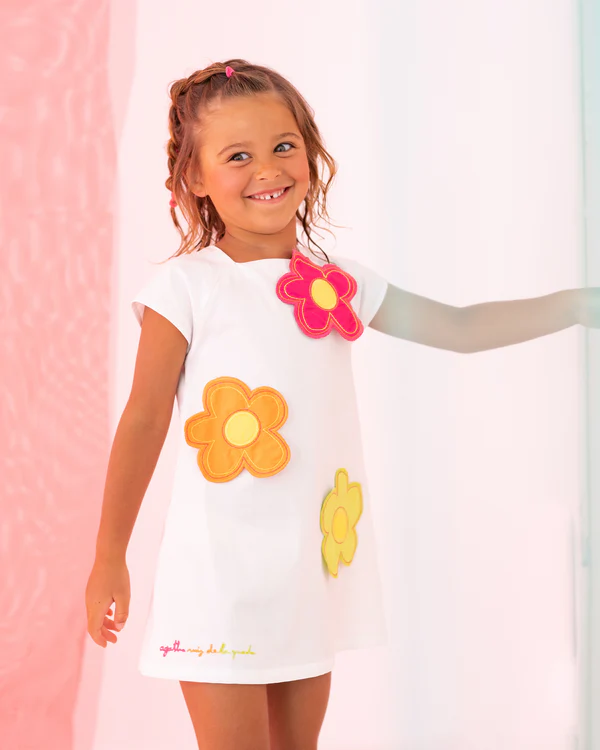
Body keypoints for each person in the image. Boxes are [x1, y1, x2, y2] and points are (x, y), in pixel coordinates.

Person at [85, 58, 600, 750]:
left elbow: (459, 328)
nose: (268, 170)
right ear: (194, 179)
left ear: (310, 151)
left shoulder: (335, 286)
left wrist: (576, 305)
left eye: (283, 146)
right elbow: (144, 419)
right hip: (217, 583)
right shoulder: (186, 288)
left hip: (307, 577)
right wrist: (109, 555)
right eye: (237, 156)